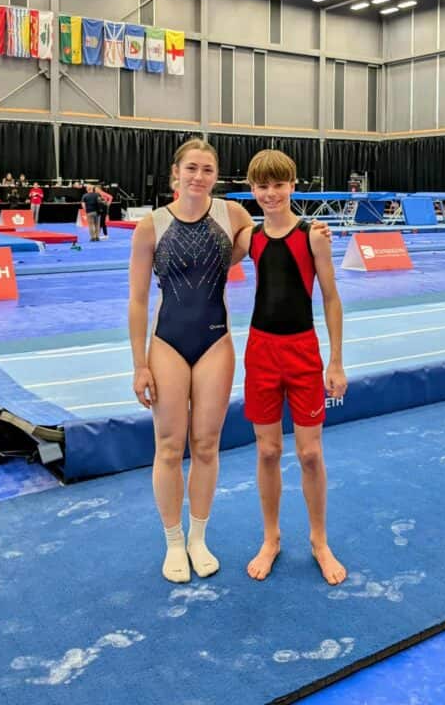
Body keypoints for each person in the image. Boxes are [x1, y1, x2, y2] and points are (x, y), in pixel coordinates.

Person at [128, 139, 256, 583]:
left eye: (207, 170)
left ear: (215, 177)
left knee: (205, 444)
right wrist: (139, 363)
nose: (198, 177)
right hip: (167, 343)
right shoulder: (151, 226)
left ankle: (199, 536)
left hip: (215, 342)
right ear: (175, 174)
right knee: (168, 445)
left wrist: (314, 234)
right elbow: (138, 300)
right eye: (191, 169)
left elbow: (275, 234)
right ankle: (173, 541)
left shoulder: (232, 216)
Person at [235, 149, 348, 586]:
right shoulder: (250, 239)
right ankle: (271, 537)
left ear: (293, 186)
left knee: (310, 453)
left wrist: (335, 360)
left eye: (279, 185)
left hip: (303, 351)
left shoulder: (312, 236)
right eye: (262, 186)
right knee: (267, 451)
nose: (270, 193)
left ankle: (319, 540)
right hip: (261, 350)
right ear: (252, 191)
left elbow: (331, 298)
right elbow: (215, 217)